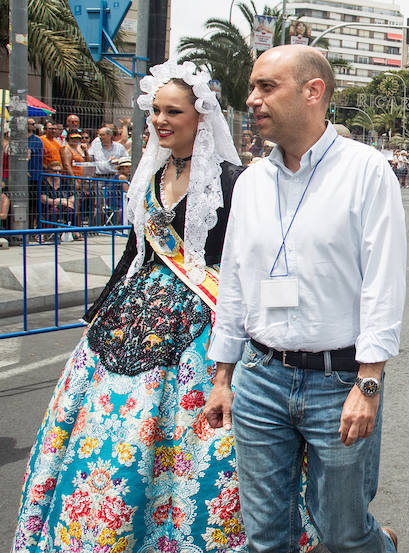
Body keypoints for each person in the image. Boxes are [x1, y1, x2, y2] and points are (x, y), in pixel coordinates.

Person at [10, 60, 325, 553]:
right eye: (155, 110)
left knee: (203, 444)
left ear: (201, 117)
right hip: (135, 314)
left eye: (172, 111)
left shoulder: (235, 180)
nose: (160, 120)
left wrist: (277, 314)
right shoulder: (150, 174)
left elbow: (263, 257)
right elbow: (138, 250)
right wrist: (102, 306)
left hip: (206, 320)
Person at [202, 45, 405, 553]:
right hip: (261, 379)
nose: (252, 99)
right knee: (265, 537)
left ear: (313, 92)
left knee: (342, 532)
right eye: (252, 88)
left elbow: (383, 283)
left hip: (338, 382)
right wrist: (224, 377)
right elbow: (234, 280)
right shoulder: (251, 182)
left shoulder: (365, 170)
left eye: (266, 87)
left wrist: (369, 383)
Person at [26, 118, 44, 229]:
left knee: (34, 204)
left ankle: (33, 228)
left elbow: (28, 153)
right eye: (31, 124)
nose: (34, 125)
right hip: (21, 178)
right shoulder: (19, 140)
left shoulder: (36, 140)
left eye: (34, 124)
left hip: (34, 177)